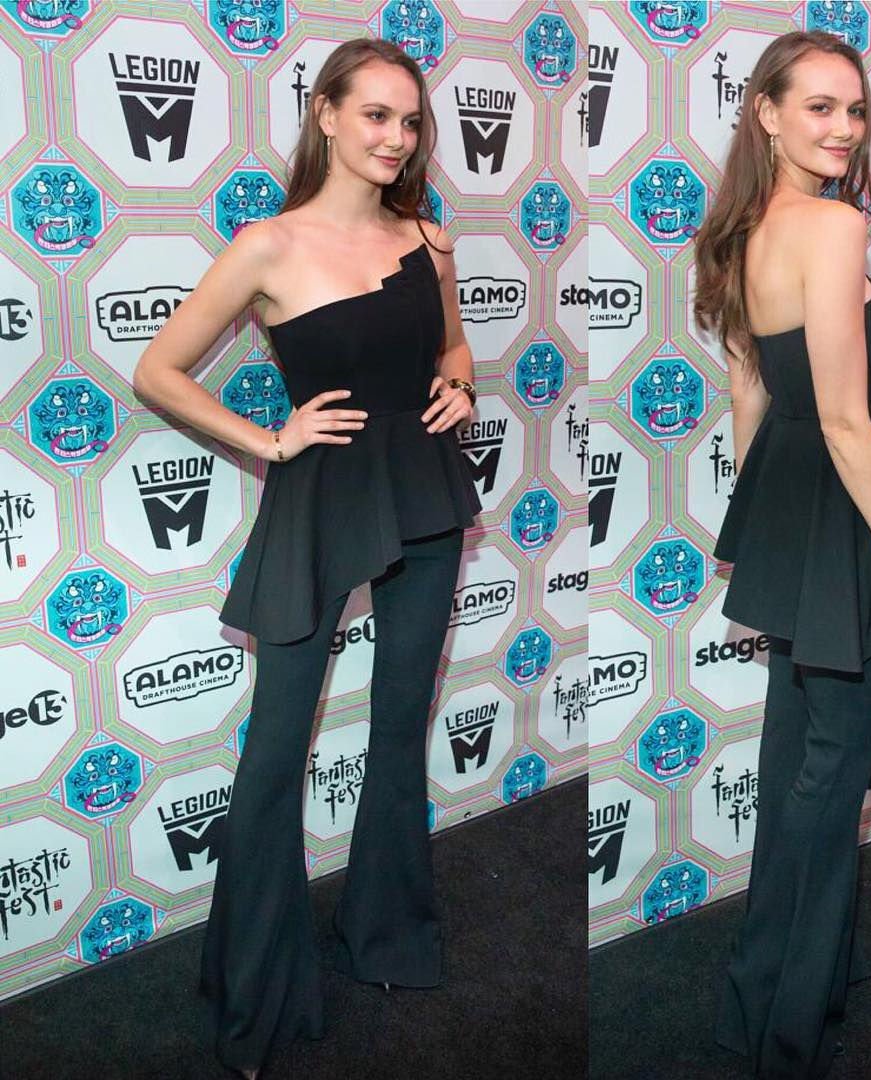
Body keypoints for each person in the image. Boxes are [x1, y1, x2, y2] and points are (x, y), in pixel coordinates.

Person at [133, 38, 480, 1080]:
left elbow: (452, 345)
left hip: (424, 493)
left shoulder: (427, 237)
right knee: (277, 749)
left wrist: (461, 385)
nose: (396, 137)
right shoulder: (269, 246)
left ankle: (387, 936)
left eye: (410, 121)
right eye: (375, 115)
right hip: (321, 502)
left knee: (399, 725)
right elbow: (158, 370)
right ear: (325, 114)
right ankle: (257, 995)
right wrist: (269, 440)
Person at [692, 30, 871, 1080]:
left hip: (793, 506)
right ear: (767, 112)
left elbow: (752, 397)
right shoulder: (835, 228)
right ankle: (790, 1035)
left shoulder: (743, 232)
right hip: (842, 515)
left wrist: (765, 527)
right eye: (820, 107)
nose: (844, 128)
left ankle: (770, 991)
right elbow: (846, 418)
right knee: (830, 779)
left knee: (797, 759)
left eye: (855, 109)